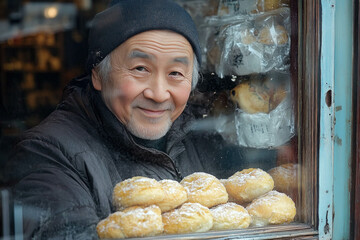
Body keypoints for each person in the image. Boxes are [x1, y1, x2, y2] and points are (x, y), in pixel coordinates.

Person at [2, 0, 277, 238]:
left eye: (175, 74)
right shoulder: (45, 154)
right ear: (98, 74)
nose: (158, 94)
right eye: (140, 68)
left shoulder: (203, 135)